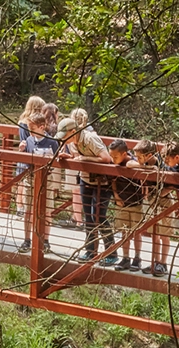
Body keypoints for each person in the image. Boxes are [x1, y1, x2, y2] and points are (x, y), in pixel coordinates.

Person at [58, 109, 114, 265]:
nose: (64, 140)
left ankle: (111, 252)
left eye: (65, 136)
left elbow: (106, 159)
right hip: (86, 180)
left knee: (99, 216)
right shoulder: (74, 143)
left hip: (101, 183)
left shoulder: (90, 138)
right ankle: (91, 251)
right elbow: (79, 158)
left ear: (73, 132)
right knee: (89, 217)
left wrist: (84, 158)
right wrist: (69, 157)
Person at [17, 112, 59, 254]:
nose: (29, 131)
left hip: (47, 180)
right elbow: (25, 163)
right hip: (31, 179)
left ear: (42, 127)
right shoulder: (28, 140)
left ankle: (45, 241)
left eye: (32, 128)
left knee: (47, 211)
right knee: (29, 210)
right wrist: (22, 152)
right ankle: (27, 239)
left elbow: (57, 162)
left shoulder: (52, 142)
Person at [133, 140, 170, 277]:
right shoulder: (146, 164)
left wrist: (161, 192)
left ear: (149, 155)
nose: (137, 159)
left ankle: (163, 263)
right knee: (154, 234)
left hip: (164, 201)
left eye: (139, 157)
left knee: (164, 234)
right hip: (152, 201)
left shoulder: (162, 163)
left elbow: (172, 183)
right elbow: (129, 164)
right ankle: (155, 262)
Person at [108, 139, 145, 272]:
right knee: (124, 232)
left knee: (136, 232)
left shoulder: (132, 162)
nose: (112, 159)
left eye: (115, 157)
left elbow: (141, 172)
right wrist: (116, 196)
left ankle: (137, 258)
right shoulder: (114, 164)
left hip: (135, 203)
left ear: (124, 154)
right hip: (121, 204)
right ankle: (125, 258)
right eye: (111, 156)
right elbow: (112, 181)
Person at [15, 96, 46, 215]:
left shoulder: (23, 121)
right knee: (23, 181)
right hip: (28, 153)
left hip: (26, 153)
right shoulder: (26, 124)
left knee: (22, 181)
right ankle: (21, 207)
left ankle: (20, 208)